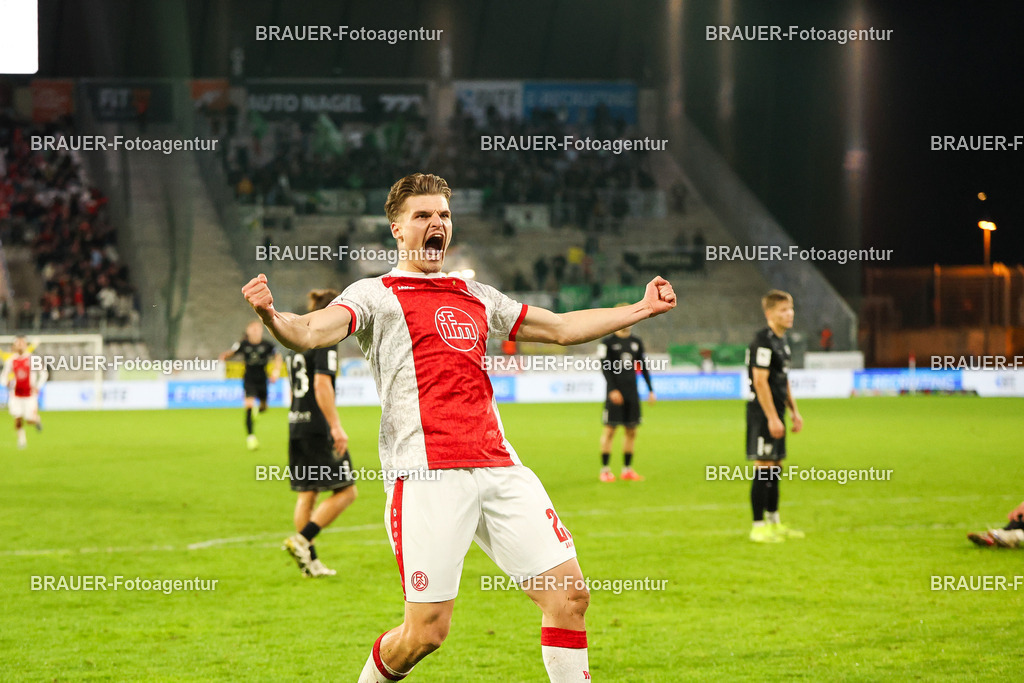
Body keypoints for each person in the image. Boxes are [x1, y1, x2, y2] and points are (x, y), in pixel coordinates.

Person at [242, 173, 676, 683]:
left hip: (499, 465)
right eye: (422, 216)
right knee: (425, 633)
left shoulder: (476, 295)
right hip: (426, 475)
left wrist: (642, 307)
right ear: (397, 231)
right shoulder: (374, 295)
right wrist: (272, 316)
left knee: (569, 597)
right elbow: (311, 331)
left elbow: (558, 328)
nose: (436, 224)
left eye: (443, 215)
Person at [282, 288, 358, 578]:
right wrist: (336, 427)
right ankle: (302, 540)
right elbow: (322, 385)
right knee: (347, 491)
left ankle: (309, 562)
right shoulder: (325, 337)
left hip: (296, 423)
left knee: (308, 493)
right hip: (317, 427)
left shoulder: (296, 342)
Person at [746, 290, 804, 543]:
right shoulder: (763, 341)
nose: (789, 314)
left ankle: (774, 521)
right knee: (764, 467)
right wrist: (771, 417)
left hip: (777, 411)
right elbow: (760, 382)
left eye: (790, 308)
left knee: (776, 467)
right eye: (783, 310)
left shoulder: (782, 341)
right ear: (769, 314)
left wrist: (794, 411)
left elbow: (783, 380)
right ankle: (758, 527)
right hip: (762, 412)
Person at [597, 315, 656, 482]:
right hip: (615, 394)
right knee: (610, 431)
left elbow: (643, 367)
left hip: (632, 393)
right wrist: (613, 390)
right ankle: (605, 470)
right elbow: (605, 369)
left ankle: (627, 469)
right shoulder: (607, 343)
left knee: (631, 431)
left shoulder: (636, 341)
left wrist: (651, 390)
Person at [218, 320, 283, 450]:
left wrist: (276, 371)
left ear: (261, 331)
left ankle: (259, 409)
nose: (255, 331)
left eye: (257, 329)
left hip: (262, 379)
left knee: (264, 407)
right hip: (249, 379)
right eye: (252, 329)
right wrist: (225, 356)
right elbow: (231, 353)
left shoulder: (267, 345)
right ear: (248, 331)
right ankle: (251, 437)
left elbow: (278, 357)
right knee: (248, 406)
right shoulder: (243, 344)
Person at [1, 336, 46, 449]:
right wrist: (6, 383)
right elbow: (3, 376)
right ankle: (22, 441)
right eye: (18, 343)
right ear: (14, 346)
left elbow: (44, 373)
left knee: (29, 419)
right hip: (15, 395)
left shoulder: (33, 359)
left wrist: (38, 386)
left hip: (30, 395)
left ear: (26, 345)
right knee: (18, 418)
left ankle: (36, 420)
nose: (20, 345)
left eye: (22, 343)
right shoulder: (11, 360)